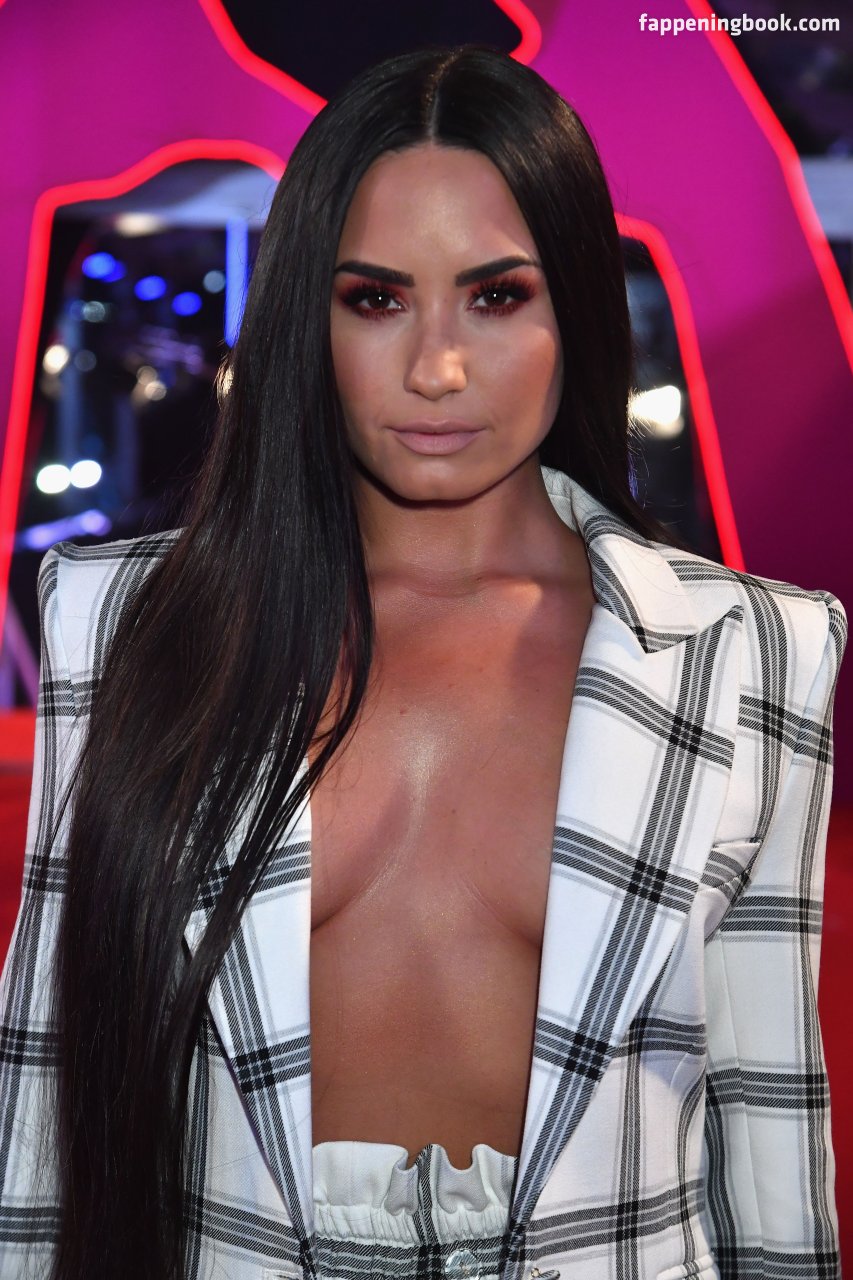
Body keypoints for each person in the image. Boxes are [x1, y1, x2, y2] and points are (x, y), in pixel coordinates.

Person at [0, 42, 846, 1280]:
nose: (435, 368)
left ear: (575, 310)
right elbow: (43, 1109)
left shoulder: (750, 651)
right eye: (376, 299)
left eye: (496, 297)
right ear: (307, 316)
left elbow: (770, 1135)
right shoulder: (125, 623)